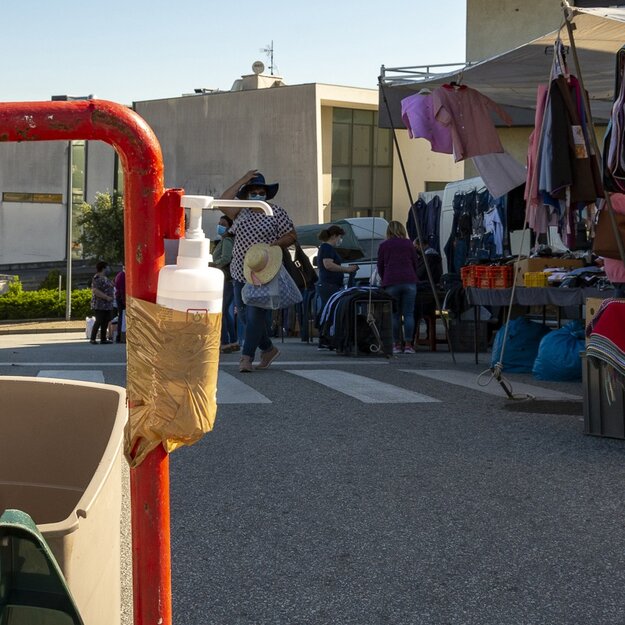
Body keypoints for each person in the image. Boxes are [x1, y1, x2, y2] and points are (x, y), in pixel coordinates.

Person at [219, 170, 297, 372]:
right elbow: (223, 201)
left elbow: (291, 235)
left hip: (264, 271)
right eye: (252, 192)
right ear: (246, 194)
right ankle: (268, 349)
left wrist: (274, 245)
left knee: (254, 315)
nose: (257, 195)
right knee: (244, 316)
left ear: (266, 194)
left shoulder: (275, 212)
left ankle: (246, 358)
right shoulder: (240, 211)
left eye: (261, 192)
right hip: (240, 270)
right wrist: (243, 180)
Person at [377, 221, 418, 354]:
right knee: (409, 314)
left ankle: (396, 345)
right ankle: (408, 345)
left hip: (391, 282)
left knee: (394, 314)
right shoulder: (409, 244)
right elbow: (415, 262)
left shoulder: (384, 245)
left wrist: (384, 278)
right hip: (409, 281)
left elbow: (380, 265)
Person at [315, 225, 358, 349]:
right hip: (329, 284)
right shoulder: (327, 248)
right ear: (334, 236)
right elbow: (328, 265)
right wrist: (347, 269)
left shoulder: (326, 248)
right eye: (340, 237)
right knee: (329, 310)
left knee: (328, 309)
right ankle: (325, 337)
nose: (340, 240)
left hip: (329, 284)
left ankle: (325, 337)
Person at [211, 215, 238, 352]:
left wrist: (214, 265)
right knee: (226, 311)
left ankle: (226, 342)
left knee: (221, 311)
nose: (220, 226)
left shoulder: (227, 241)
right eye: (219, 223)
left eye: (223, 224)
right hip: (229, 279)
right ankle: (233, 341)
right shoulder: (225, 240)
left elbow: (226, 258)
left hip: (225, 279)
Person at [90, 260, 115, 344]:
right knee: (99, 320)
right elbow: (95, 290)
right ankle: (92, 339)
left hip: (107, 305)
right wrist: (106, 297)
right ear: (103, 268)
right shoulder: (97, 278)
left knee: (106, 321)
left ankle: (103, 339)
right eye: (107, 267)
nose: (109, 269)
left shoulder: (105, 278)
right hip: (100, 304)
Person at [114, 266, 126, 343]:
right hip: (121, 298)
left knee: (121, 316)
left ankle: (119, 336)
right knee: (122, 317)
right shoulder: (122, 275)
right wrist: (125, 301)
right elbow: (122, 289)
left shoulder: (119, 274)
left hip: (119, 297)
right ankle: (120, 336)